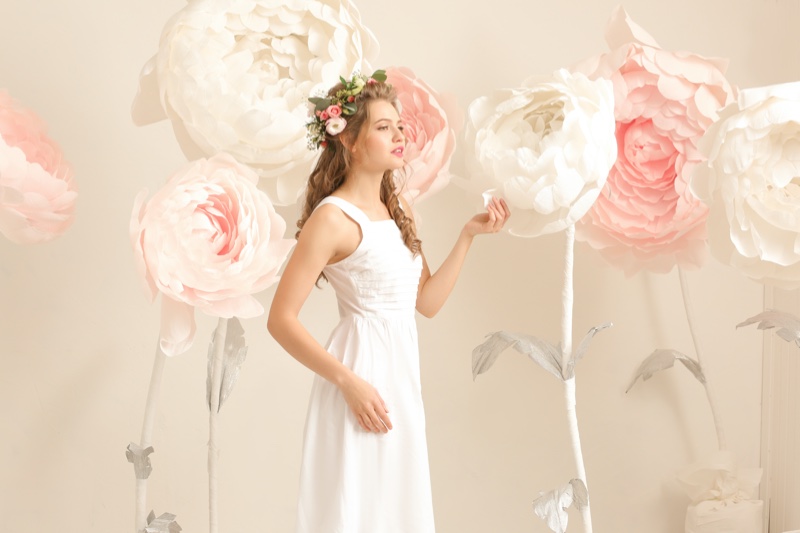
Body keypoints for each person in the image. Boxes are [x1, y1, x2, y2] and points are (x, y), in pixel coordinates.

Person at [267, 69, 510, 533]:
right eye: (384, 127)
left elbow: (426, 303)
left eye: (399, 126)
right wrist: (349, 383)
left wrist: (467, 236)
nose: (400, 134)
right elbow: (280, 320)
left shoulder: (398, 211)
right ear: (350, 142)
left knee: (396, 511)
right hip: (358, 383)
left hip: (400, 383)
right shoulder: (332, 219)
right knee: (356, 512)